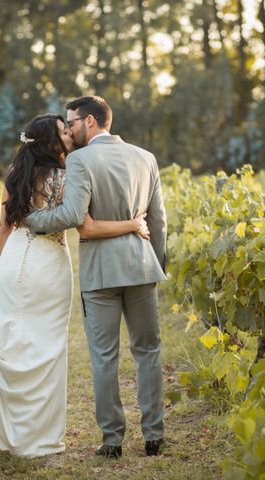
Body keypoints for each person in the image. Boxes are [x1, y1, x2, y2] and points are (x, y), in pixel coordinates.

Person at [0, 113, 150, 458]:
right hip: (51, 263)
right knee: (49, 349)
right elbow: (88, 226)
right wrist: (132, 223)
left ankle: (16, 433)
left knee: (15, 342)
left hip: (16, 260)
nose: (70, 132)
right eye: (63, 130)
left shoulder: (15, 176)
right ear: (52, 143)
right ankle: (41, 437)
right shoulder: (70, 174)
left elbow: (3, 228)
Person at [26, 96, 167, 458]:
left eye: (71, 121)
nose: (69, 128)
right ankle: (154, 435)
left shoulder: (80, 159)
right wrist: (157, 264)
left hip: (100, 272)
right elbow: (158, 222)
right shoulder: (146, 158)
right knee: (148, 351)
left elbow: (73, 214)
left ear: (90, 121)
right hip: (141, 267)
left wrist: (30, 220)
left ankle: (112, 439)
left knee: (104, 357)